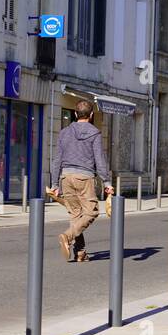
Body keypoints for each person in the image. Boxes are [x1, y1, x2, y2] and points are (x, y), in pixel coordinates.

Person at [52, 100, 114, 263]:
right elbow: (99, 160)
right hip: (84, 177)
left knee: (76, 215)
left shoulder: (64, 133)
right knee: (92, 211)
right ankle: (67, 236)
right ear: (91, 115)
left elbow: (57, 159)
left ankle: (81, 253)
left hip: (66, 177)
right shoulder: (94, 133)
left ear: (74, 114)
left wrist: (55, 184)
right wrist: (107, 182)